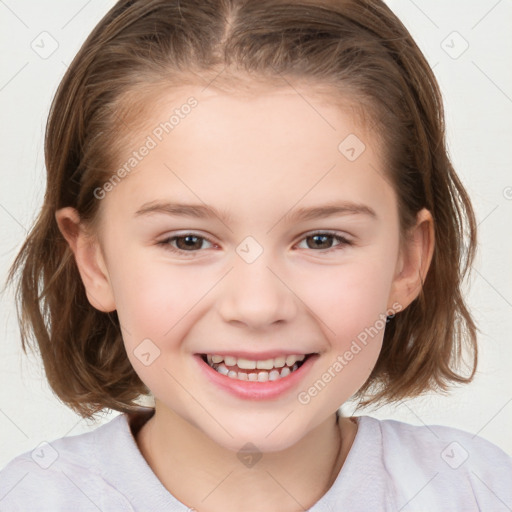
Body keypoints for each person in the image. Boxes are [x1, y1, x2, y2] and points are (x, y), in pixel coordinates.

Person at [1, 0, 511, 510]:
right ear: (95, 261)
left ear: (407, 262)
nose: (258, 306)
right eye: (188, 241)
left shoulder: (478, 490)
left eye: (322, 240)